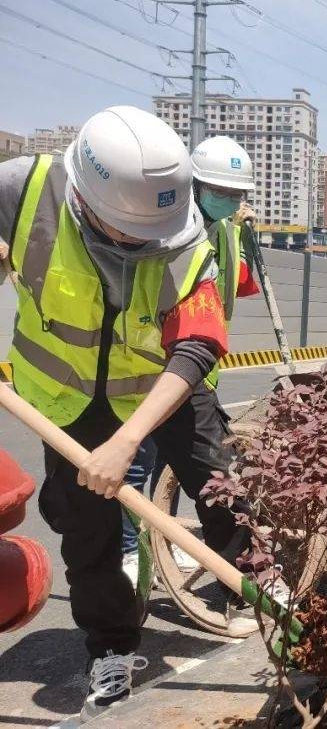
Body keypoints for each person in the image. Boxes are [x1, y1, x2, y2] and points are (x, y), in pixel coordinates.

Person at [0, 107, 250, 718]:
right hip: (64, 400)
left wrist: (129, 441)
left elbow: (197, 344)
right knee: (87, 530)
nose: (142, 246)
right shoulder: (22, 191)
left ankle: (256, 585)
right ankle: (110, 647)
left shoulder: (186, 234)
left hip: (161, 384)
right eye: (127, 236)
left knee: (221, 481)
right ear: (86, 202)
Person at [119, 135, 261, 585]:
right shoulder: (161, 226)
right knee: (133, 466)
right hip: (144, 368)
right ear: (194, 184)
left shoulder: (225, 231)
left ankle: (172, 546)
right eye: (223, 192)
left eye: (238, 194)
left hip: (196, 368)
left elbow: (237, 285)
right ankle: (130, 555)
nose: (231, 200)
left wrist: (245, 234)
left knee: (195, 470)